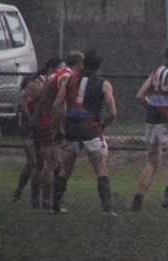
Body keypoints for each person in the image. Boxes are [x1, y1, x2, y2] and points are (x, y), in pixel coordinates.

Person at [50, 50, 118, 215]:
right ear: (99, 67)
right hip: (91, 128)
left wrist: (59, 127)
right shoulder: (103, 83)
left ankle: (55, 207)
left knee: (65, 169)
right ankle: (106, 209)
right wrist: (104, 125)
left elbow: (57, 104)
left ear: (83, 64)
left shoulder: (69, 80)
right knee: (101, 168)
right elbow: (112, 112)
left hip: (71, 128)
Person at [131, 42, 168, 213]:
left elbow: (140, 96)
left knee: (152, 162)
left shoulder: (157, 71)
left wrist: (153, 107)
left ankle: (137, 201)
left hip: (152, 120)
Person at [24, 51, 83, 211]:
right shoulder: (67, 77)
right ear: (79, 64)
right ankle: (48, 203)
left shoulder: (54, 74)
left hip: (39, 119)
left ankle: (35, 200)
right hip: (48, 120)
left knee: (39, 163)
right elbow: (59, 104)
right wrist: (59, 127)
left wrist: (34, 115)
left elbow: (36, 97)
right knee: (52, 163)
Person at [12, 57, 63, 205]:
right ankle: (20, 192)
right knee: (35, 162)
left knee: (49, 162)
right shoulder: (37, 84)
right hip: (33, 128)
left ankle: (43, 197)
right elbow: (23, 104)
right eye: (60, 68)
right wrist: (30, 120)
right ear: (51, 70)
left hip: (43, 126)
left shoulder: (54, 85)